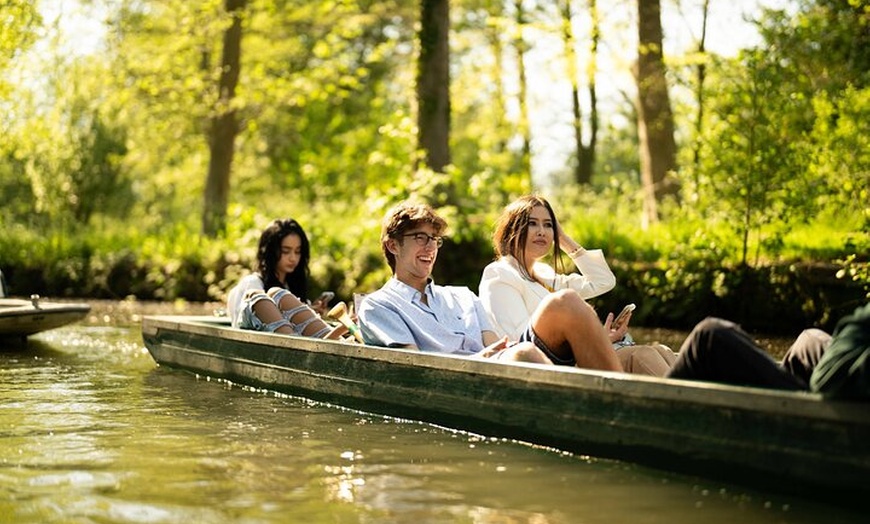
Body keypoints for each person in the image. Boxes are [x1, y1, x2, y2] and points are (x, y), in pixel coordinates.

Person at [357, 201, 622, 371]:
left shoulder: (461, 296)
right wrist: (476, 362)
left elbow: (498, 344)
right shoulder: (379, 305)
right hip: (460, 379)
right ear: (393, 245)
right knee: (539, 333)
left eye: (435, 240)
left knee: (566, 307)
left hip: (495, 368)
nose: (430, 247)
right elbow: (413, 368)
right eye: (420, 238)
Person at [478, 195, 676, 376]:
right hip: (547, 368)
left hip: (576, 359)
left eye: (548, 225)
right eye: (532, 224)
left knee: (661, 350)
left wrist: (563, 238)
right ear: (512, 229)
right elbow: (519, 340)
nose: (542, 232)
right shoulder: (499, 273)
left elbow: (602, 282)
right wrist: (592, 341)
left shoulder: (545, 273)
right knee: (641, 356)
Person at [226, 218, 343, 339]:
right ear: (270, 251)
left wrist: (308, 313)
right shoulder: (252, 283)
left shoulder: (291, 285)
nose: (293, 258)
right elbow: (241, 326)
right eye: (285, 251)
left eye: (297, 252)